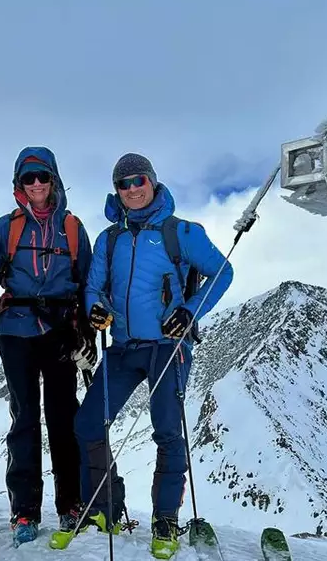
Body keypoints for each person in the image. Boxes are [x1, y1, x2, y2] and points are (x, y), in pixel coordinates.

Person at [73, 153, 233, 559]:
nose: (132, 189)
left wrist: (190, 309)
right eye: (123, 184)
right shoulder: (108, 239)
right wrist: (96, 307)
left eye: (138, 180)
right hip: (123, 347)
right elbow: (95, 287)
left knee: (166, 430)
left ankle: (165, 519)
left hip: (168, 346)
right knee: (88, 422)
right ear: (117, 192)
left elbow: (222, 272)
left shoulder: (180, 232)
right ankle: (103, 507)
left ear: (153, 181)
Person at [0, 146, 96, 546]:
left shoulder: (72, 228)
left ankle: (72, 503)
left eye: (42, 177)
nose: (35, 185)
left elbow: (88, 283)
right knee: (24, 418)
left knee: (64, 418)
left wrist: (88, 332)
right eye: (28, 178)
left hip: (62, 330)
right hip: (16, 332)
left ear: (54, 180)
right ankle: (25, 511)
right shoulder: (5, 229)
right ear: (18, 183)